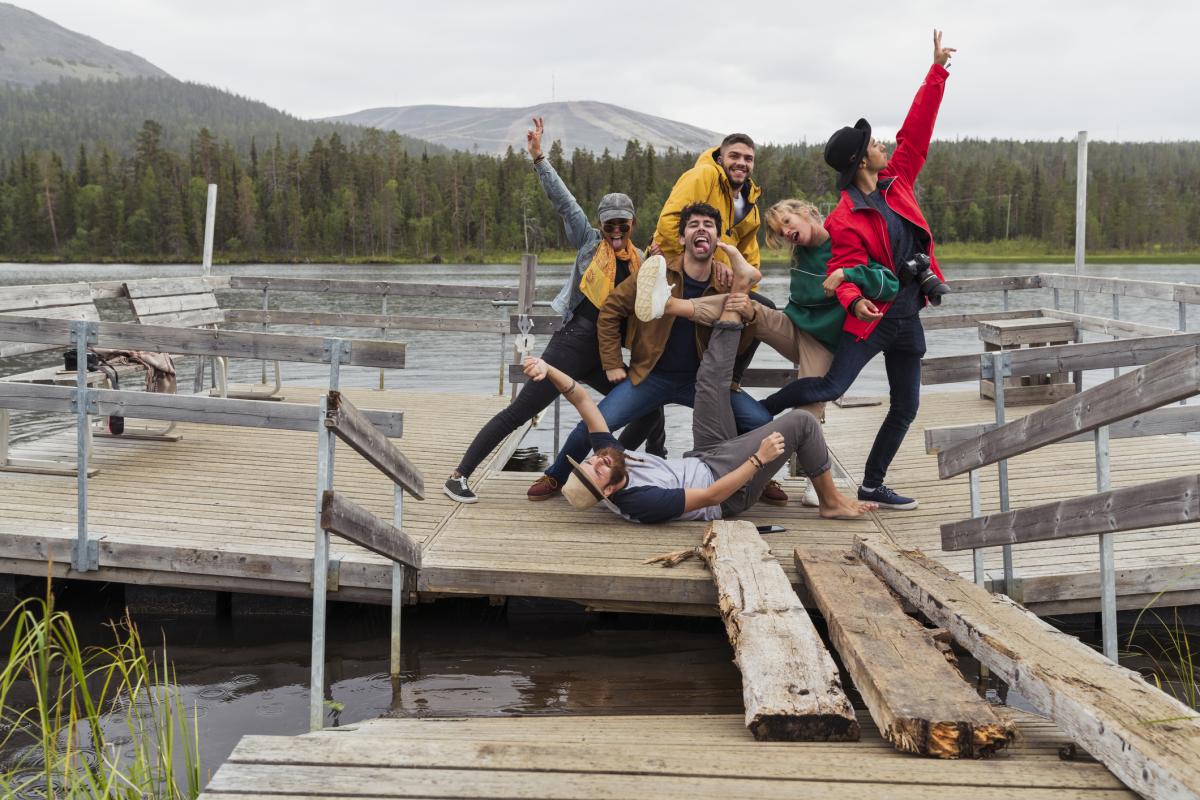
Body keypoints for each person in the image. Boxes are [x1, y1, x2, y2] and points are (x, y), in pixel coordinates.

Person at [520, 252, 876, 524]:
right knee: (803, 423)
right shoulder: (641, 502)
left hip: (703, 457)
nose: (599, 458)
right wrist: (758, 459)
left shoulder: (610, 459)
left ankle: (741, 283)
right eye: (598, 469)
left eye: (592, 459)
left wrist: (548, 369)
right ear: (610, 490)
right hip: (727, 488)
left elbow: (582, 399)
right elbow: (710, 497)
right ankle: (830, 501)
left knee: (710, 379)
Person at [757, 30, 957, 511]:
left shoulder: (897, 180)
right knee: (831, 386)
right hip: (872, 319)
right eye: (872, 144)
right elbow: (843, 269)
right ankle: (754, 412)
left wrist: (936, 73)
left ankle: (872, 484)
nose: (881, 145)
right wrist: (854, 299)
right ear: (861, 159)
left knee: (906, 405)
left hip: (908, 314)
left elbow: (916, 133)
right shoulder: (844, 218)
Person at [444, 117, 664, 504]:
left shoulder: (642, 260)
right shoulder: (588, 242)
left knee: (648, 408)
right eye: (609, 224)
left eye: (623, 224)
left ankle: (616, 471)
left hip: (606, 354)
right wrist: (538, 157)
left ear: (632, 224)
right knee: (520, 411)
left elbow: (653, 303)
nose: (616, 230)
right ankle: (458, 476)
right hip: (572, 345)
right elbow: (565, 202)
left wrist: (660, 266)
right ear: (600, 224)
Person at [635, 198, 898, 504]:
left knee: (808, 412)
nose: (785, 233)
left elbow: (889, 283)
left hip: (824, 344)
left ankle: (816, 483)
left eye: (786, 223)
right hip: (794, 327)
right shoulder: (800, 252)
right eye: (779, 231)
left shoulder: (844, 241)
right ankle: (668, 304)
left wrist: (847, 275)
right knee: (744, 304)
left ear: (807, 212)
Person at [532, 202, 779, 502]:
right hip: (650, 376)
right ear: (683, 238)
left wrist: (733, 375)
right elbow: (610, 310)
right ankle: (557, 474)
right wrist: (612, 362)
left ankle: (760, 478)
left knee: (760, 421)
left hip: (702, 382)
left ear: (717, 239)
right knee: (594, 423)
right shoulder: (656, 273)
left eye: (709, 225)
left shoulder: (725, 281)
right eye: (693, 225)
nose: (701, 229)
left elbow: (760, 316)